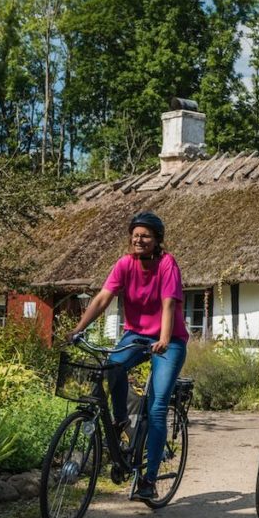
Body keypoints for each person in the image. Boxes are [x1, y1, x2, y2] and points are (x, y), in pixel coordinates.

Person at [66, 211, 189, 502]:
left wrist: (163, 338)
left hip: (169, 340)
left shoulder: (167, 264)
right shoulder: (124, 264)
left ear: (157, 239)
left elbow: (169, 303)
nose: (139, 239)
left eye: (145, 235)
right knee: (111, 367)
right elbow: (102, 298)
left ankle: (149, 480)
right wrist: (78, 329)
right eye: (135, 234)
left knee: (158, 407)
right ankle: (121, 419)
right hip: (136, 334)